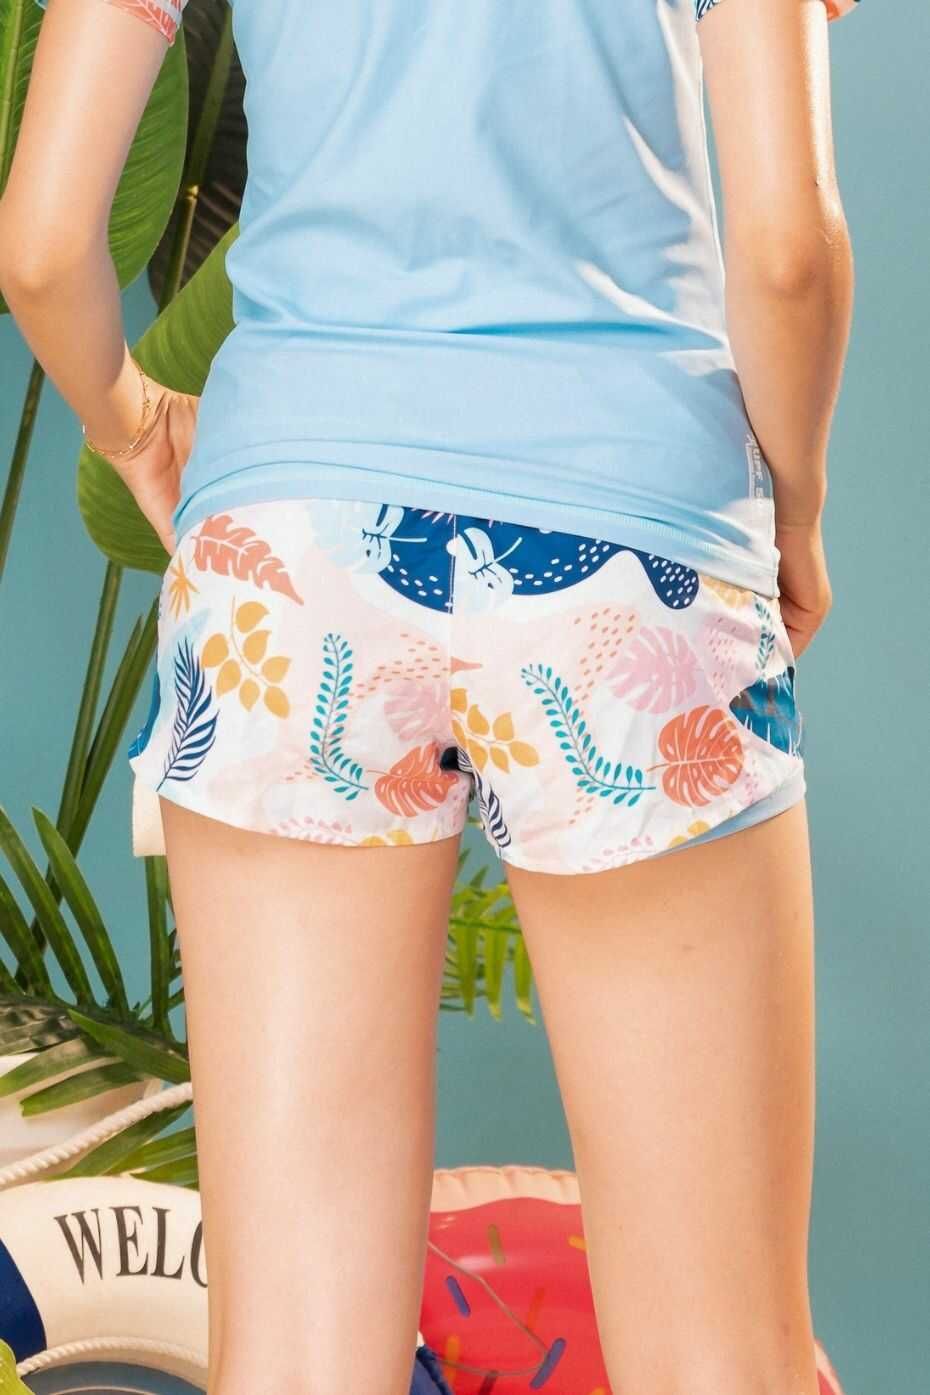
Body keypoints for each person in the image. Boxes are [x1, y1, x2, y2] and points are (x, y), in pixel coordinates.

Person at [0, 0, 857, 1391]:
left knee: (295, 1353)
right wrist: (795, 510)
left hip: (288, 553)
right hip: (628, 533)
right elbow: (787, 251)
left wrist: (134, 420)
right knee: (721, 1351)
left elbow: (43, 244)